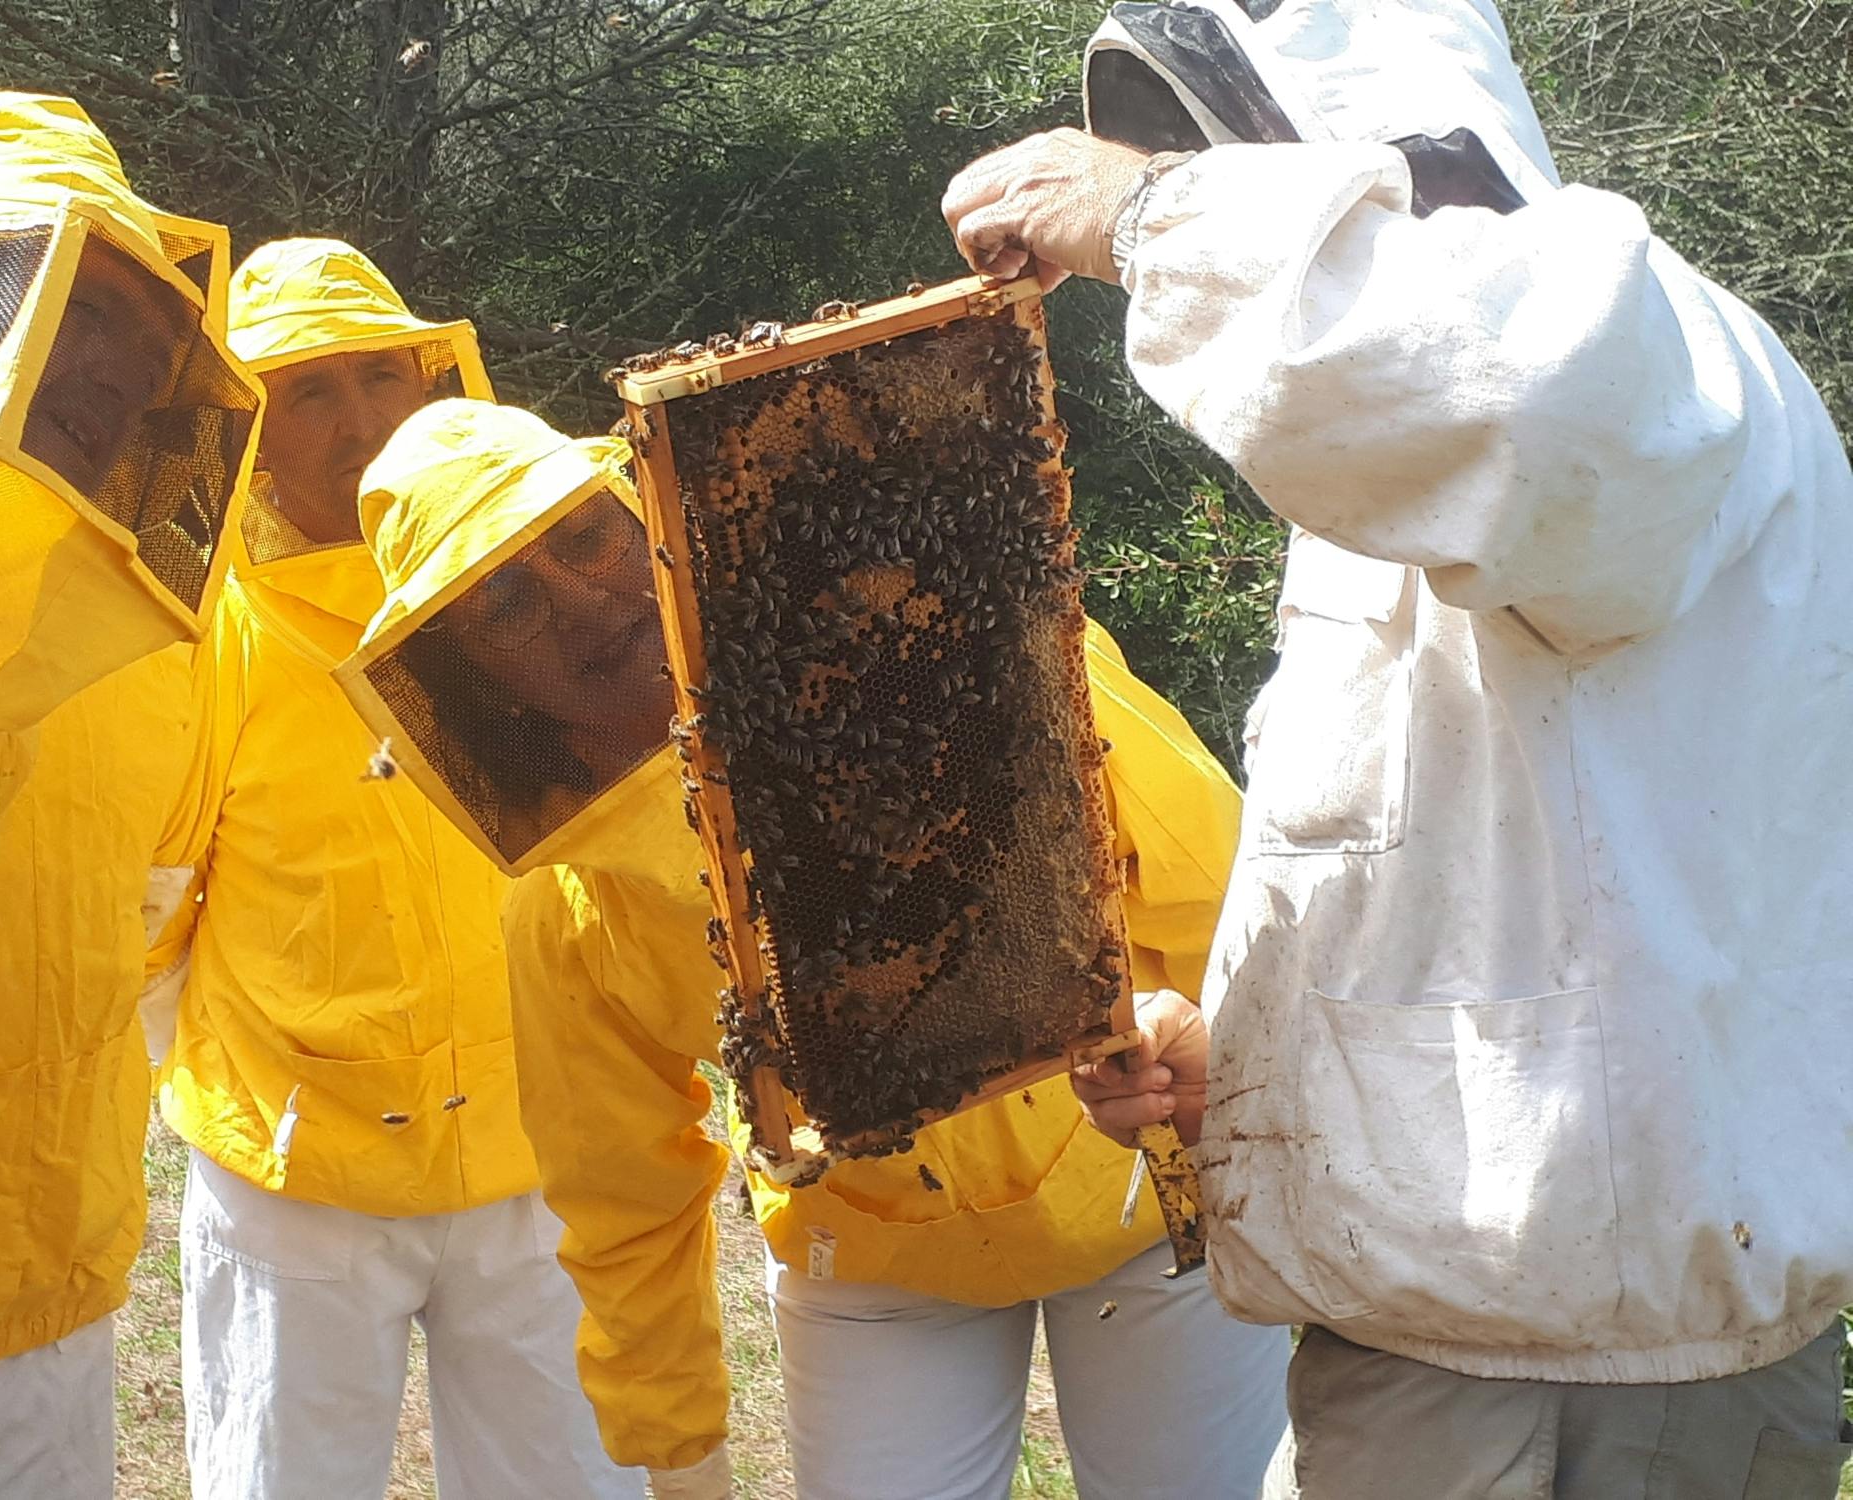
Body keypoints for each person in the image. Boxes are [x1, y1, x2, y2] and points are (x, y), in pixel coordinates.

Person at [940, 1, 1853, 1494]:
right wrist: (1253, 1059)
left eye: (1251, 171)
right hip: (1481, 1357)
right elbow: (1501, 873)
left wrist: (1150, 212)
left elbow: (1516, 390)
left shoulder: (1639, 359)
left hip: (1570, 1393)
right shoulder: (1481, 473)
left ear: (1402, 152)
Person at [335, 397, 1293, 1500]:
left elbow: (1215, 890)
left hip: (1139, 1182)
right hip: (874, 1253)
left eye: (584, 538)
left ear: (646, 519)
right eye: (504, 601)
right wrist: (677, 1452)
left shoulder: (939, 649)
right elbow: (619, 1191)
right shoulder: (568, 911)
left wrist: (1226, 1068)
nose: (578, 600)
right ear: (468, 676)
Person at [148, 239, 638, 1498]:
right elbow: (151, 907)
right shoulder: (208, 626)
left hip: (537, 1148)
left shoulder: (521, 594)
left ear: (431, 384)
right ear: (250, 429)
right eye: (309, 390)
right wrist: (244, 1083)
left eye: (378, 375)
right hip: (299, 1172)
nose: (359, 420)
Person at [0, 92, 256, 1388]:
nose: (122, 377)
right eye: (80, 306)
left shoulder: (144, 633)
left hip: (39, 1303)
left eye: (146, 347)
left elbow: (146, 915)